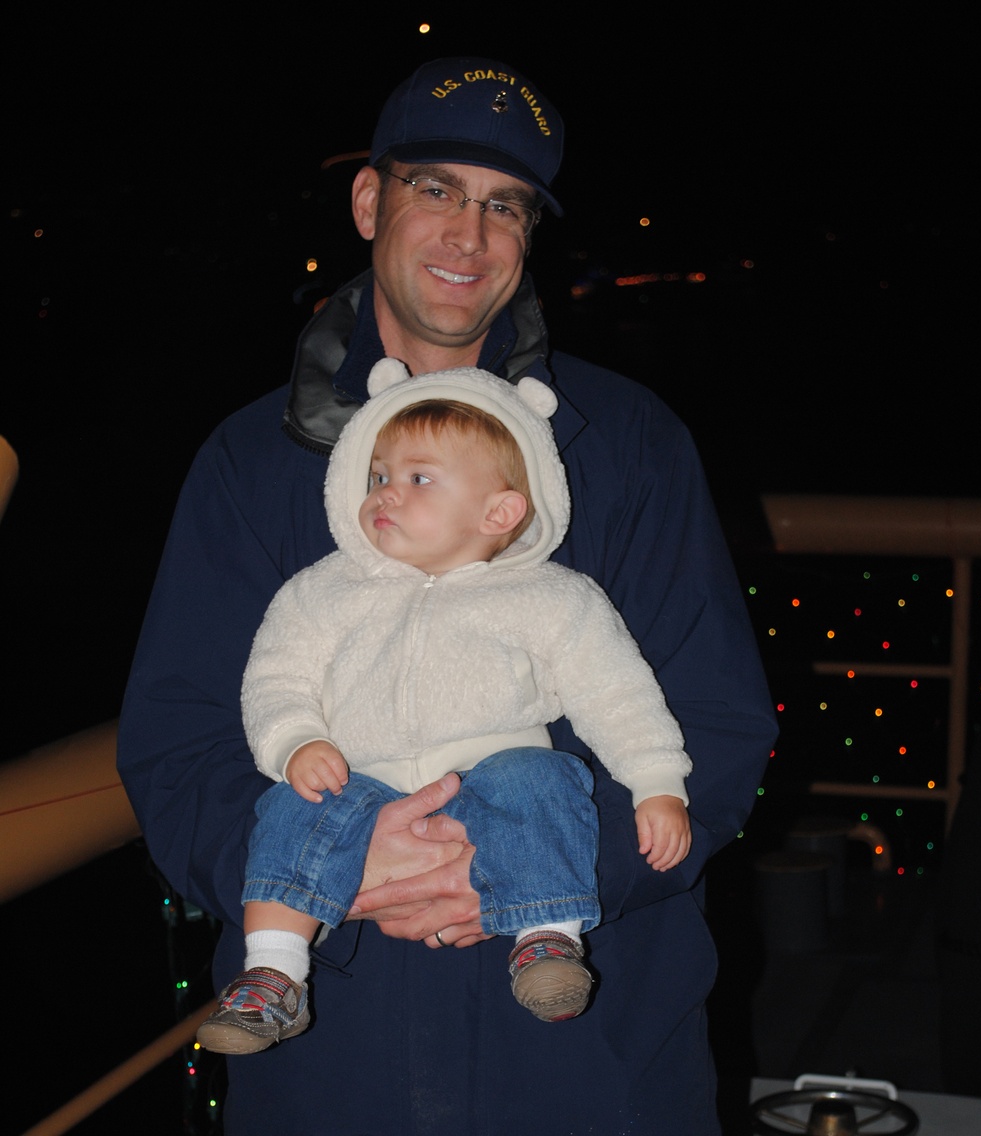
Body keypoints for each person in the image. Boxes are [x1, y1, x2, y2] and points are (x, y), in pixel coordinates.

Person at [118, 55, 777, 1134]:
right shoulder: (247, 463)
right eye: (436, 190)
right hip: (328, 1062)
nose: (468, 237)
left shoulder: (633, 446)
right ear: (370, 201)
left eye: (503, 205)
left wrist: (533, 869)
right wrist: (336, 865)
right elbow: (175, 744)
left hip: (593, 1067)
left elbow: (717, 729)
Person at [196, 359, 693, 1053]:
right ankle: (274, 976)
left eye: (418, 478)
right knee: (286, 809)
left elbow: (616, 692)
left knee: (543, 780)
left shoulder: (552, 597)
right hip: (355, 783)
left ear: (500, 511)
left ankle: (546, 937)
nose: (385, 494)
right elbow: (276, 678)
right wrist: (295, 742)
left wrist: (656, 783)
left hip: (490, 779)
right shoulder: (323, 590)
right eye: (377, 476)